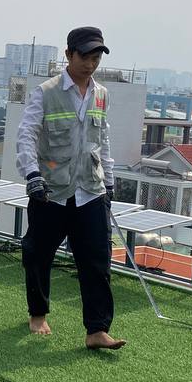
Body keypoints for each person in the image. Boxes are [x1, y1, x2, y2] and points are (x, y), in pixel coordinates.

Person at [16, 26, 126, 351]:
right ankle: (38, 314)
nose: (90, 65)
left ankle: (97, 330)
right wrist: (32, 174)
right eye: (85, 57)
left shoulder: (101, 94)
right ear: (68, 55)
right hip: (51, 191)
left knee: (97, 260)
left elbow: (102, 140)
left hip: (91, 191)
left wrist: (109, 181)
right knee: (38, 255)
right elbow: (27, 135)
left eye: (96, 59)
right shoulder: (46, 92)